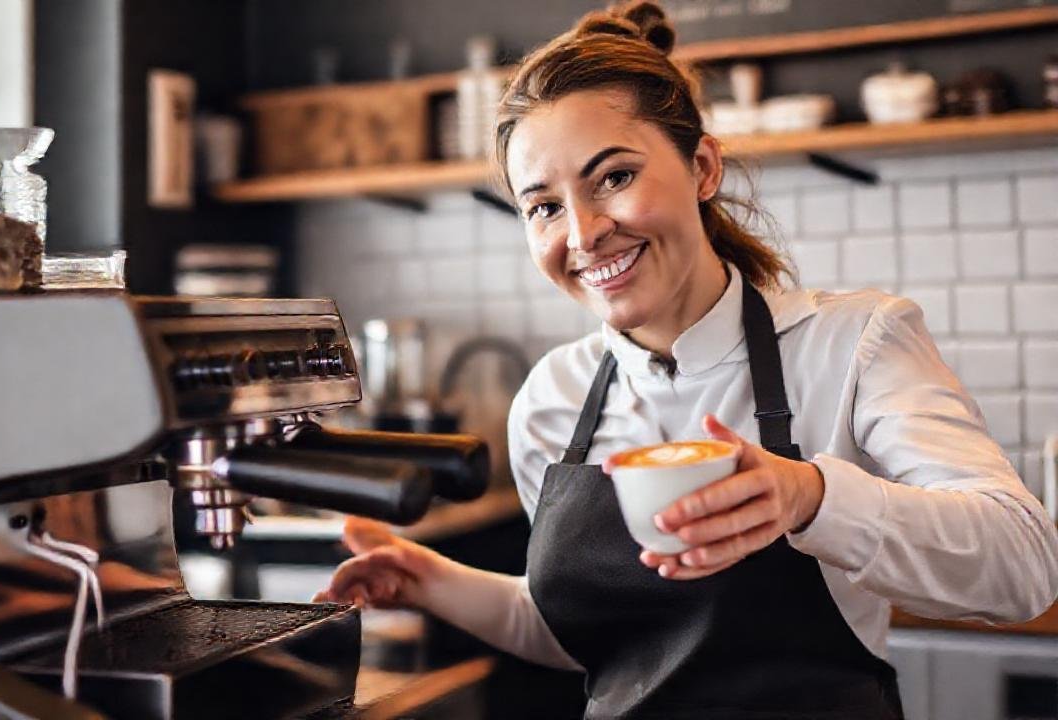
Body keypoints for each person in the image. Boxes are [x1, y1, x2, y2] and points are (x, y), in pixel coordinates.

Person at [315, 2, 1058, 717]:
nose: (585, 233)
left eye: (614, 177)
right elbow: (595, 636)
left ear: (703, 168)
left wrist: (809, 498)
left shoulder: (856, 342)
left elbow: (1022, 566)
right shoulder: (554, 398)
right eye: (543, 206)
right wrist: (432, 580)